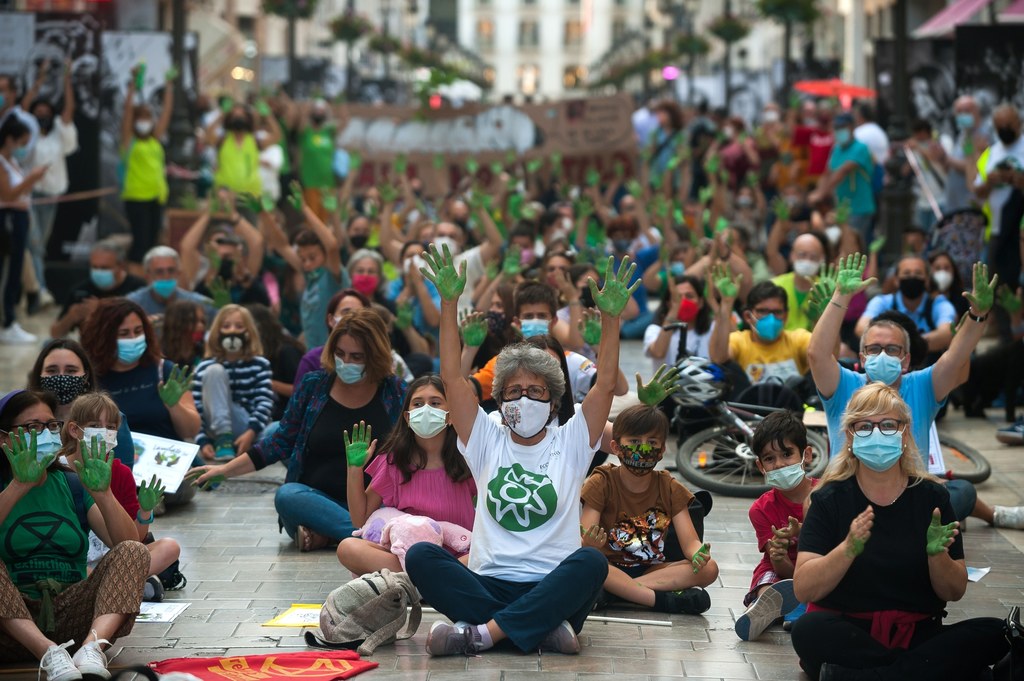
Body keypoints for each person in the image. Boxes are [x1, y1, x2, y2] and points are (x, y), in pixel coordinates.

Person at [404, 248, 632, 658]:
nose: (523, 399)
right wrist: (449, 304)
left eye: (535, 391)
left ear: (553, 398)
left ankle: (482, 634)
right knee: (421, 556)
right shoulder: (485, 435)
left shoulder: (573, 438)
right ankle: (538, 630)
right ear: (499, 398)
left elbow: (602, 387)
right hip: (488, 580)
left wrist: (611, 321)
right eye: (513, 391)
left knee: (592, 564)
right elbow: (453, 377)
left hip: (553, 583)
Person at [790, 383, 1009, 680]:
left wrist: (937, 557)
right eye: (865, 426)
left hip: (919, 633)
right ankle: (923, 672)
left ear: (904, 433)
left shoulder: (933, 497)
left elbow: (954, 591)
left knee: (997, 632)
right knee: (807, 630)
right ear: (850, 437)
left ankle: (862, 677)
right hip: (851, 635)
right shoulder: (829, 499)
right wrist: (847, 549)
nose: (877, 433)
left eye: (888, 425)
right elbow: (804, 588)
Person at [808, 254, 1024, 529]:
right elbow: (817, 354)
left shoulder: (922, 385)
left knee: (961, 491)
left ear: (906, 359)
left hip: (910, 503)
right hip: (847, 502)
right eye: (874, 349)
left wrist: (978, 315)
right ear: (862, 357)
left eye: (892, 349)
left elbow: (955, 359)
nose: (882, 354)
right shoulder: (843, 385)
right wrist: (841, 295)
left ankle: (980, 517)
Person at [186, 308, 406, 552]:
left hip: (374, 504)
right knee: (287, 495)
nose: (346, 363)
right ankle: (370, 538)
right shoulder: (315, 386)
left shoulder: (394, 391)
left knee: (391, 513)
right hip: (313, 501)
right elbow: (278, 442)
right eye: (340, 354)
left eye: (357, 357)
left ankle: (333, 535)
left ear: (374, 356)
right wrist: (224, 470)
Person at [0, 389, 148, 681]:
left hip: (71, 613)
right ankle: (47, 652)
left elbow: (128, 543)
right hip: (11, 623)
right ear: (5, 438)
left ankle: (92, 648)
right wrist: (19, 485)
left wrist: (102, 493)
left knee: (135, 552)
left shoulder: (71, 483)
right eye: (32, 428)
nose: (44, 434)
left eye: (50, 425)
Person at [580, 404, 717, 614]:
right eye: (634, 441)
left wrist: (699, 553)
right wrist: (589, 543)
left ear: (662, 450)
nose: (643, 448)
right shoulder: (602, 481)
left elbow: (690, 542)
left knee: (709, 569)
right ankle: (656, 600)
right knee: (587, 563)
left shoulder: (669, 486)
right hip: (608, 567)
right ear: (616, 447)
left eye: (652, 442)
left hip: (654, 570)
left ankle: (618, 594)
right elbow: (586, 537)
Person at [338, 375, 476, 575]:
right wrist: (354, 469)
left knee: (486, 554)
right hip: (406, 559)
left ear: (450, 415)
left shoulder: (469, 457)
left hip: (458, 558)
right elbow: (359, 518)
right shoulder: (393, 461)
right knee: (348, 548)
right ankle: (431, 582)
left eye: (435, 403)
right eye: (418, 404)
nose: (426, 409)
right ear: (407, 417)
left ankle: (419, 583)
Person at [57, 392, 181, 603]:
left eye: (111, 427)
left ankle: (116, 584)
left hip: (112, 559)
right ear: (74, 430)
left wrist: (144, 511)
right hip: (73, 559)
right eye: (95, 425)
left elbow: (133, 542)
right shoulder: (58, 470)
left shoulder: (120, 472)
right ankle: (128, 584)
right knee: (77, 571)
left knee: (170, 546)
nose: (104, 432)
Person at [735, 410, 815, 641]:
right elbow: (781, 569)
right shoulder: (761, 509)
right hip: (782, 573)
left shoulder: (825, 495)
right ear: (760, 466)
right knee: (767, 587)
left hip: (818, 566)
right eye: (770, 459)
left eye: (787, 454)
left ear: (806, 454)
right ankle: (770, 611)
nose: (779, 464)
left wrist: (805, 533)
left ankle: (795, 606)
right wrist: (779, 556)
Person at [80, 298, 201, 445]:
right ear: (104, 337)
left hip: (167, 458)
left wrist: (174, 406)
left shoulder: (163, 370)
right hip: (117, 461)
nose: (133, 338)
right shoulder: (91, 379)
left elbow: (191, 431)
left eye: (138, 331)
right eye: (124, 333)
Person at [26, 339, 136, 471]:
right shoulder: (24, 420)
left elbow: (123, 475)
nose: (61, 377)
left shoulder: (111, 420)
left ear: (85, 376)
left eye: (71, 371)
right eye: (52, 370)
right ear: (39, 375)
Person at [24, 60, 77, 310]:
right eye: (39, 111)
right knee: (33, 243)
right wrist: (40, 78)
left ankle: (33, 290)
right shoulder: (26, 133)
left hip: (52, 196)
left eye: (47, 111)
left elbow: (69, 109)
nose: (42, 114)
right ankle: (40, 290)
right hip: (28, 195)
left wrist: (67, 77)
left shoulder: (58, 132)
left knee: (39, 246)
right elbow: (22, 109)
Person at [191, 304, 273, 462]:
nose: (232, 331)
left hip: (247, 426)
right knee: (214, 371)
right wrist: (202, 441)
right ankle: (223, 439)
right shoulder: (204, 366)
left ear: (248, 333)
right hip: (215, 428)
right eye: (226, 326)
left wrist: (251, 432)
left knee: (275, 429)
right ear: (217, 332)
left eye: (239, 326)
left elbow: (264, 401)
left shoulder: (260, 364)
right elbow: (197, 408)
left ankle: (240, 443)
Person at [120, 65, 174, 274]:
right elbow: (126, 113)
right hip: (136, 196)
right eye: (140, 118)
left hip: (156, 196)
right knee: (140, 243)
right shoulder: (129, 142)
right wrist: (132, 85)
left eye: (148, 118)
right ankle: (135, 280)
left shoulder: (155, 139)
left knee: (153, 243)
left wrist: (169, 86)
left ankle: (147, 279)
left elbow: (167, 114)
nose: (145, 122)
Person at [709, 278, 811, 385]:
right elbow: (718, 359)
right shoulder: (739, 341)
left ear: (785, 317)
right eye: (763, 311)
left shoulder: (798, 339)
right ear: (748, 316)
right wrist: (726, 305)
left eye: (777, 312)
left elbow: (822, 359)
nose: (771, 318)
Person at [0, 114, 47, 344]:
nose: (23, 148)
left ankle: (10, 319)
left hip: (19, 218)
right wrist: (32, 179)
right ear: (9, 139)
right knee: (8, 270)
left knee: (16, 268)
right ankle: (7, 321)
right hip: (7, 220)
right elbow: (8, 194)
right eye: (21, 143)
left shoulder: (12, 162)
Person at [856, 255, 956, 356]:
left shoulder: (939, 304)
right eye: (906, 273)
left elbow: (947, 333)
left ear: (927, 280)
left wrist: (899, 346)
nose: (912, 277)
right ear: (896, 280)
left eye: (918, 273)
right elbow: (861, 328)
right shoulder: (882, 302)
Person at [50, 240, 145, 338]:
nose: (98, 272)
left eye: (104, 268)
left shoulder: (138, 288)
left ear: (121, 266)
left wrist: (102, 312)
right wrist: (70, 318)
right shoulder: (80, 291)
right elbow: (55, 334)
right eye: (94, 267)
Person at [809, 113, 875, 244]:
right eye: (837, 128)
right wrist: (817, 191)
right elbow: (827, 173)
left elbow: (843, 171)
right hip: (841, 207)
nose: (840, 131)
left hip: (859, 207)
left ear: (852, 128)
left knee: (854, 244)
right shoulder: (837, 149)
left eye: (843, 127)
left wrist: (821, 194)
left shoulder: (860, 148)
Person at [126, 246, 217, 323]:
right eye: (159, 272)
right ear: (147, 275)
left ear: (178, 273)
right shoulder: (132, 304)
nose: (166, 276)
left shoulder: (197, 303)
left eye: (171, 271)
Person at [643, 274, 716, 368]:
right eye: (677, 298)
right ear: (668, 303)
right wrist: (673, 311)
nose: (683, 301)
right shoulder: (655, 330)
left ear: (701, 302)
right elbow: (658, 353)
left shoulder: (713, 329)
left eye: (689, 296)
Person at [768, 232, 829, 332]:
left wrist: (818, 317)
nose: (807, 260)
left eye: (813, 256)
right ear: (792, 255)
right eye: (802, 255)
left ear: (821, 259)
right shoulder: (774, 286)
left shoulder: (826, 289)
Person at [159, 299, 206, 368]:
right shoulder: (161, 355)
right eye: (193, 321)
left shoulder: (202, 351)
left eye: (202, 321)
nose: (200, 326)